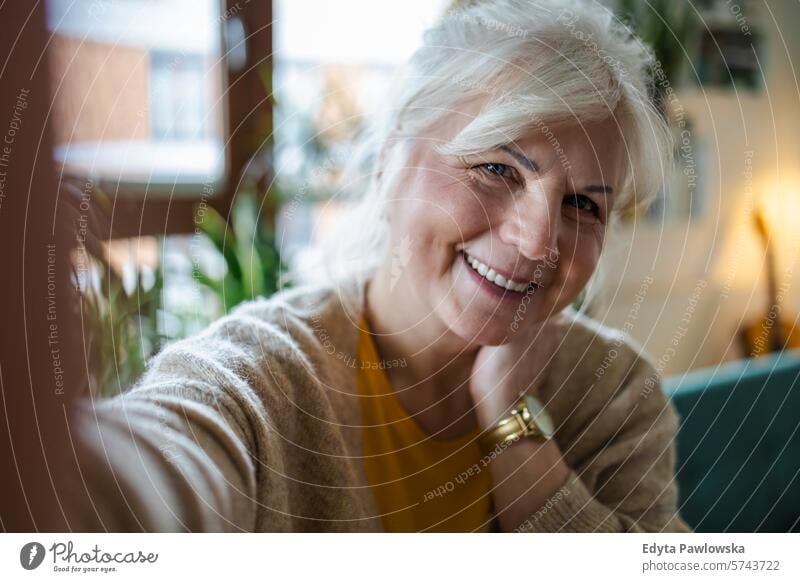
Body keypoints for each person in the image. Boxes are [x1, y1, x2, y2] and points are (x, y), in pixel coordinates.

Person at [60, 0, 690, 532]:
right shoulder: (265, 378)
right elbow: (160, 461)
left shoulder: (615, 394)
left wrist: (510, 419)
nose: (536, 242)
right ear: (392, 157)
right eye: (497, 168)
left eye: (582, 204)